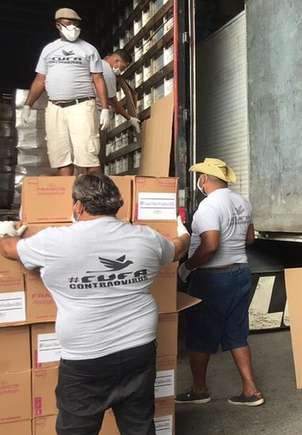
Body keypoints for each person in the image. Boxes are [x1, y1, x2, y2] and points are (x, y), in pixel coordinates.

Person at [0, 174, 190, 434]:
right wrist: (185, 233)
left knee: (77, 429)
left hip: (85, 360)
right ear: (117, 205)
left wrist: (6, 232)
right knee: (138, 426)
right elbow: (177, 248)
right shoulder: (146, 238)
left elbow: (9, 249)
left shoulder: (54, 241)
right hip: (139, 349)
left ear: (78, 206)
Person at [176, 158, 263, 407]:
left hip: (212, 277)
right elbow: (250, 238)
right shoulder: (241, 202)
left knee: (199, 334)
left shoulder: (208, 207)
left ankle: (199, 389)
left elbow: (211, 245)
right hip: (240, 273)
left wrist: (187, 267)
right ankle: (251, 390)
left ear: (204, 179)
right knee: (236, 333)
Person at [19, 8, 111, 176]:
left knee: (88, 156)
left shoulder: (89, 49)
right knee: (61, 157)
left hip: (81, 106)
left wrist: (105, 108)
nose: (73, 27)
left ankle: (95, 200)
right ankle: (66, 200)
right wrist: (27, 105)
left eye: (75, 24)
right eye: (68, 23)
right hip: (55, 108)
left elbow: (98, 79)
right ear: (58, 25)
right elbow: (40, 80)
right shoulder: (49, 49)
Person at [100, 50, 141, 133]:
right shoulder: (109, 73)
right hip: (97, 113)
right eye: (123, 67)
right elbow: (113, 102)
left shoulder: (99, 63)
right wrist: (130, 118)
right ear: (116, 61)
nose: (122, 71)